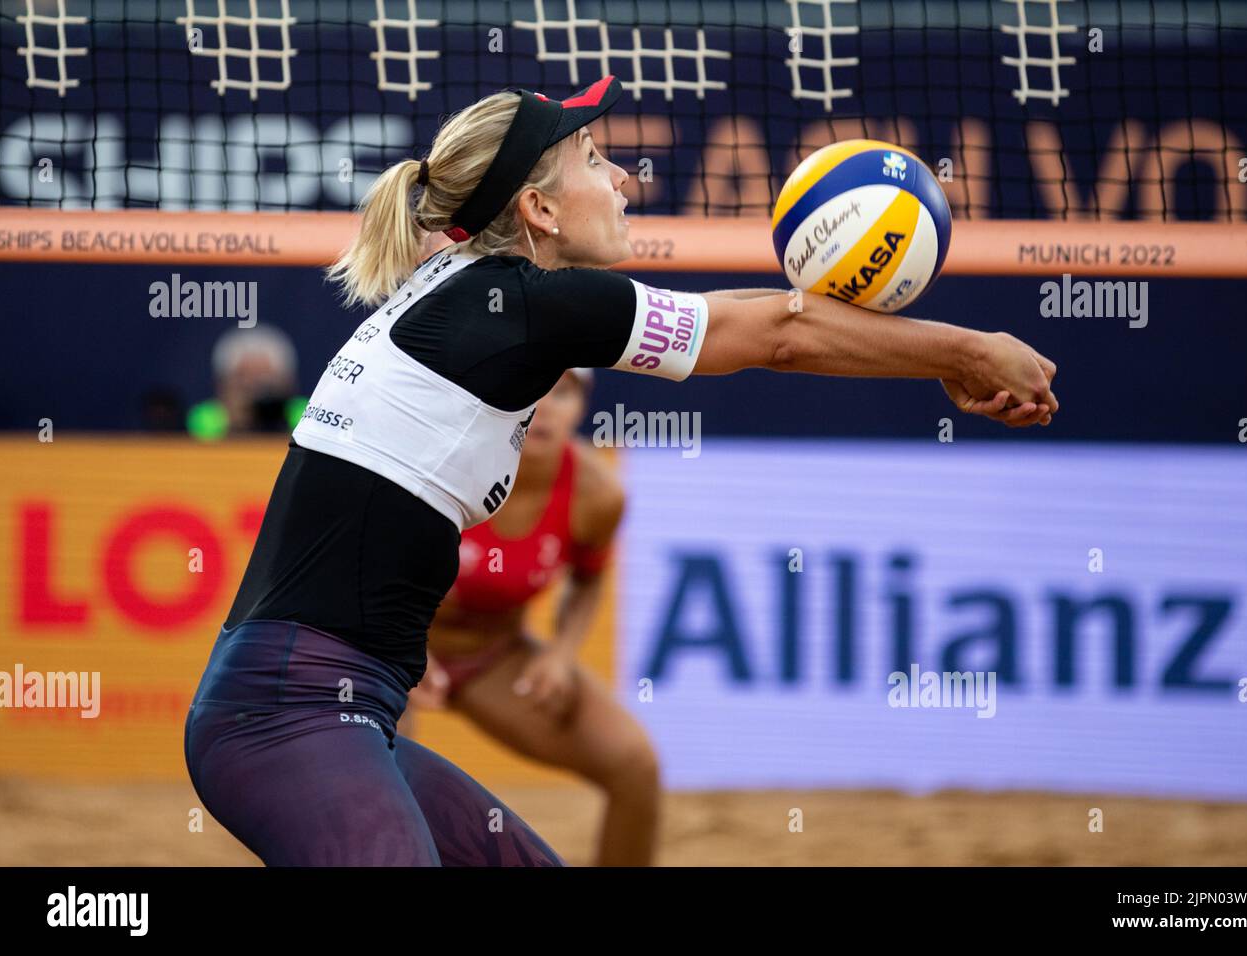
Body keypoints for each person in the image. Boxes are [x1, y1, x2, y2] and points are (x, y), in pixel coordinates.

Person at [184, 72, 1058, 867]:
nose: (625, 180)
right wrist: (971, 348)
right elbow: (779, 333)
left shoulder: (476, 289)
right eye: (596, 161)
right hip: (284, 712)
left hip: (339, 708)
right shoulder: (518, 304)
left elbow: (759, 315)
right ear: (540, 210)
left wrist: (947, 359)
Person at [398, 366, 660, 866]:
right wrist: (403, 647)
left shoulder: (598, 493)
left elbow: (588, 577)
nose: (545, 406)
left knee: (635, 765)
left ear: (580, 408)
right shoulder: (443, 458)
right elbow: (368, 558)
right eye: (534, 386)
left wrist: (562, 655)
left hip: (494, 656)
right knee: (376, 780)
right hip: (389, 646)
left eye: (562, 392)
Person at [187, 324, 307, 440]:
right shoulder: (203, 423)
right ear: (222, 385)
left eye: (267, 380)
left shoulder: (306, 418)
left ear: (288, 383)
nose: (256, 391)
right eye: (243, 380)